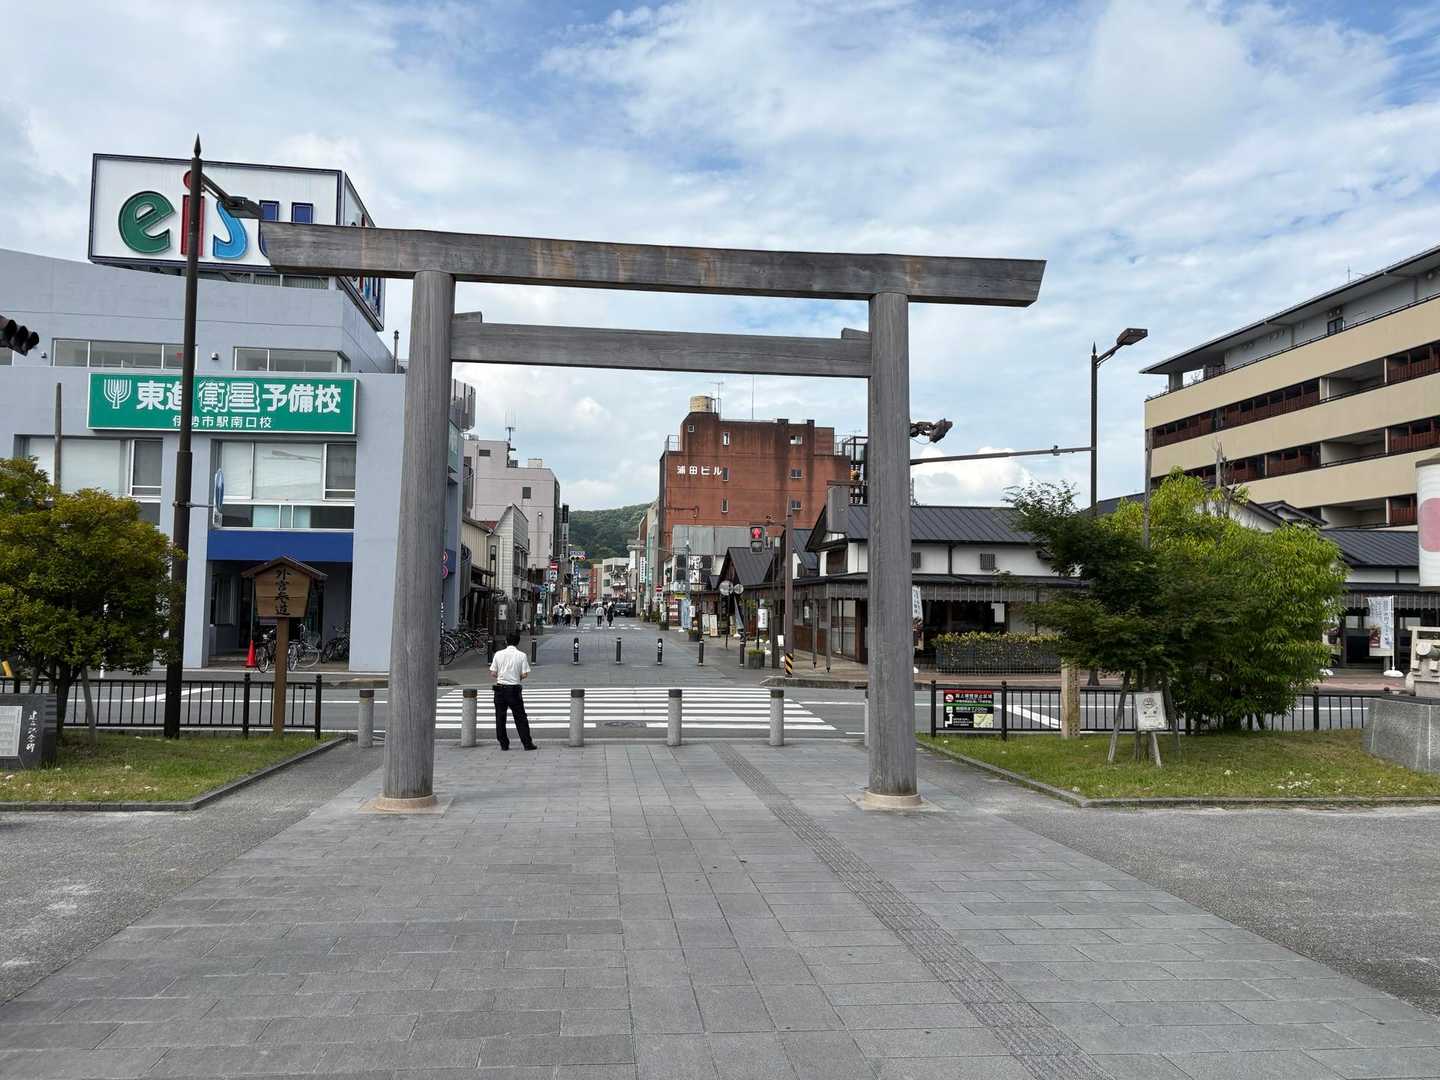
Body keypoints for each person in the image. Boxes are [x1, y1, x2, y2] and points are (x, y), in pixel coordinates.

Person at [488, 630, 536, 751]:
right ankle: (527, 743)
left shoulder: (498, 654)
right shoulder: (522, 655)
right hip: (514, 689)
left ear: (506, 641)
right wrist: (516, 677)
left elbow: (493, 673)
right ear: (518, 642)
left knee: (500, 717)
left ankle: (504, 744)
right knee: (520, 717)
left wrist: (502, 675)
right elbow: (525, 674)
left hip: (500, 689)